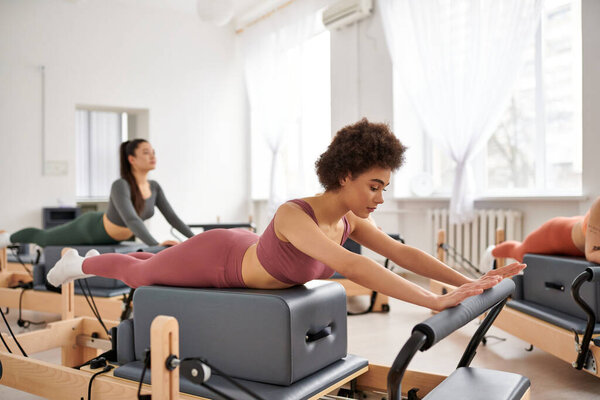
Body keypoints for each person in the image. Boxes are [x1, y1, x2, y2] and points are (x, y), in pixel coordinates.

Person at [47, 119, 525, 311]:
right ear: (345, 176)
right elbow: (357, 266)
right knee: (141, 274)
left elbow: (401, 252)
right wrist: (433, 301)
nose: (379, 197)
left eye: (385, 187)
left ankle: (168, 250)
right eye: (374, 185)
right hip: (222, 258)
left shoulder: (349, 219)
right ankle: (78, 262)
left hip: (242, 249)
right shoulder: (294, 215)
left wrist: (469, 279)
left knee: (157, 262)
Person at [0, 139, 194, 249]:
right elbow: (132, 220)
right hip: (90, 229)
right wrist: (156, 246)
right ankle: (7, 238)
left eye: (153, 151)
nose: (152, 156)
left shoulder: (155, 187)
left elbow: (173, 218)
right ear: (132, 159)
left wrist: (196, 239)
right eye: (146, 152)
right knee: (43, 238)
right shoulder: (121, 185)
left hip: (113, 238)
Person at [492, 198, 600, 264]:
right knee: (519, 252)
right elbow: (591, 253)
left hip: (585, 227)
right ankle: (491, 252)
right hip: (556, 233)